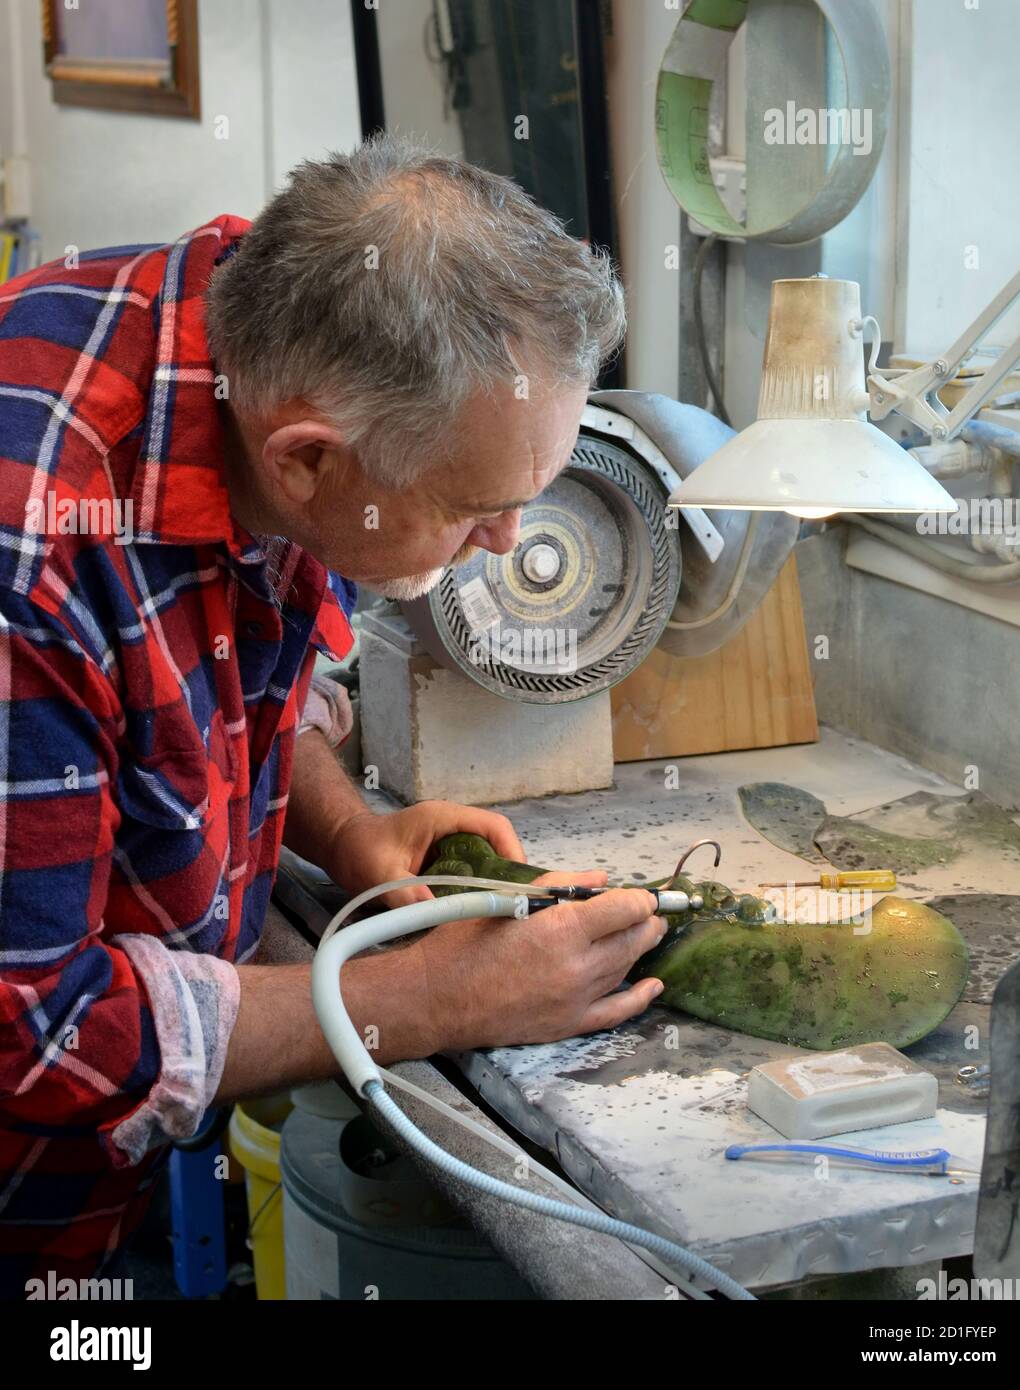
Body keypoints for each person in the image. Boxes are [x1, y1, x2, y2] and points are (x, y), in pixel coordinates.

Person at [0, 135, 666, 1290]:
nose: (507, 542)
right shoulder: (32, 555)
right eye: (474, 509)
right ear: (308, 460)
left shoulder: (258, 326)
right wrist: (431, 998)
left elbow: (241, 642)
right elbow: (35, 1034)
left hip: (131, 1154)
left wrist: (349, 831)